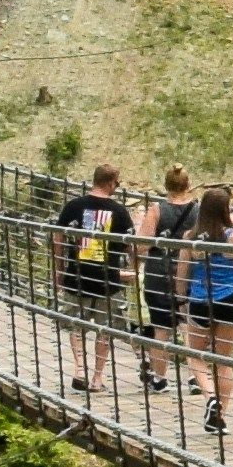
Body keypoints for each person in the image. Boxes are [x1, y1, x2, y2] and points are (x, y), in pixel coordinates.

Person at [179, 186, 233, 432]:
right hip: (230, 299)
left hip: (201, 300)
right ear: (225, 209)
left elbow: (182, 274)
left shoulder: (191, 237)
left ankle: (210, 397)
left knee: (196, 355)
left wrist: (180, 299)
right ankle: (220, 414)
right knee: (224, 360)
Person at [59, 163, 133, 392]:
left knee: (76, 324)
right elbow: (129, 247)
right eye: (117, 183)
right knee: (105, 329)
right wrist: (135, 267)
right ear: (111, 182)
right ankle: (97, 378)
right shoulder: (120, 212)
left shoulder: (73, 206)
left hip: (77, 274)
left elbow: (57, 239)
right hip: (107, 279)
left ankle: (80, 369)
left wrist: (58, 270)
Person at [137, 161, 196, 393]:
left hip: (159, 273)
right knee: (189, 326)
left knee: (160, 327)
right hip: (189, 273)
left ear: (166, 185)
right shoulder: (198, 210)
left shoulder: (157, 210)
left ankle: (160, 379)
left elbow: (141, 245)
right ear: (188, 184)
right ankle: (195, 376)